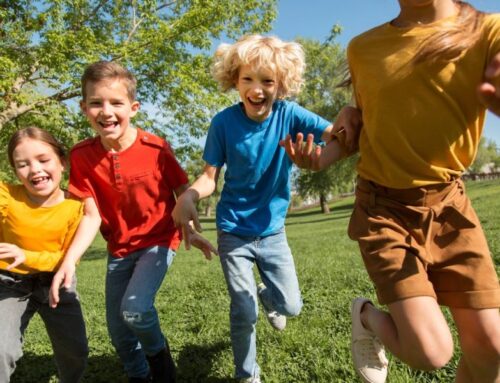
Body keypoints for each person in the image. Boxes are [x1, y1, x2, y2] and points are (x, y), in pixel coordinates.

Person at [287, 1, 500, 382]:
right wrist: (318, 159)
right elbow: (364, 125)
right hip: (383, 209)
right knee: (431, 351)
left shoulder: (487, 30)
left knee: (492, 346)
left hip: (451, 208)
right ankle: (365, 315)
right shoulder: (363, 48)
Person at [171, 34, 349, 383]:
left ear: (281, 84)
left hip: (272, 231)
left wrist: (320, 154)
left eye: (267, 81)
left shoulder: (289, 113)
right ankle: (247, 375)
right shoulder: (223, 123)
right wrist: (190, 195)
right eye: (248, 79)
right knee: (243, 309)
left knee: (291, 306)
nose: (258, 89)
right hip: (233, 231)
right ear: (234, 81)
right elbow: (210, 177)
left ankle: (269, 296)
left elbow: (336, 134)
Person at [49, 60, 217, 383]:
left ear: (134, 107)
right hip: (119, 249)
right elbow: (85, 211)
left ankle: (162, 367)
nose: (106, 111)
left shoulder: (156, 148)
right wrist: (67, 255)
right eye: (96, 103)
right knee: (118, 330)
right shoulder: (81, 156)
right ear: (84, 108)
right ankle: (139, 374)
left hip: (159, 239)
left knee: (136, 309)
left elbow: (183, 190)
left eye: (116, 103)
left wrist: (191, 230)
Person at [0, 127, 89, 382]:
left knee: (75, 350)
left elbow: (67, 258)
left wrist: (26, 255)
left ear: (62, 162)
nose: (35, 170)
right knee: (0, 349)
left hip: (57, 282)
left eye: (43, 159)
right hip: (10, 283)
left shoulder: (76, 207)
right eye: (23, 164)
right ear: (16, 171)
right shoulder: (7, 195)